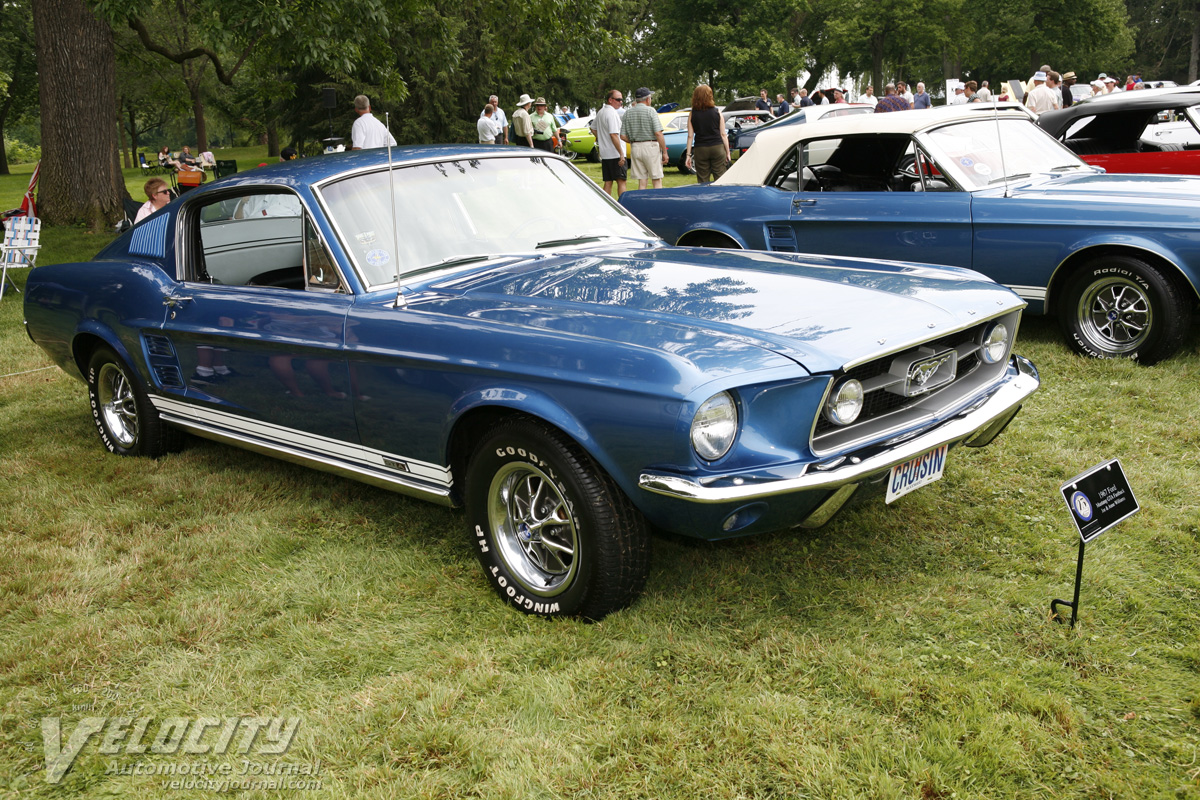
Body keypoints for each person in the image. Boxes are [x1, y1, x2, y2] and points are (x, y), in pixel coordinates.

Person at [620, 87, 669, 190]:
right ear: (647, 99)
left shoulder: (628, 113)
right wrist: (664, 151)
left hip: (635, 147)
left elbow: (623, 136)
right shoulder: (651, 111)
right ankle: (657, 202)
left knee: (642, 181)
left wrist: (635, 140)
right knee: (656, 179)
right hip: (650, 147)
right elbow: (658, 133)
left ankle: (641, 203)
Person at [684, 84, 730, 184]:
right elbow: (723, 134)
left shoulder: (692, 114)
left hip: (700, 149)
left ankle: (704, 198)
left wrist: (688, 155)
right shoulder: (717, 112)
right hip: (717, 147)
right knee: (720, 179)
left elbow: (690, 136)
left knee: (702, 179)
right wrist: (728, 152)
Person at [595, 89, 626, 197]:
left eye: (622, 99)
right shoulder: (612, 113)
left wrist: (602, 139)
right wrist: (621, 153)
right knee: (621, 181)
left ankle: (604, 206)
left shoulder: (601, 112)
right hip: (615, 153)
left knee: (608, 181)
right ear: (610, 100)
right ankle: (623, 206)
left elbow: (593, 128)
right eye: (618, 99)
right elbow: (613, 134)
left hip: (605, 154)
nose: (621, 102)